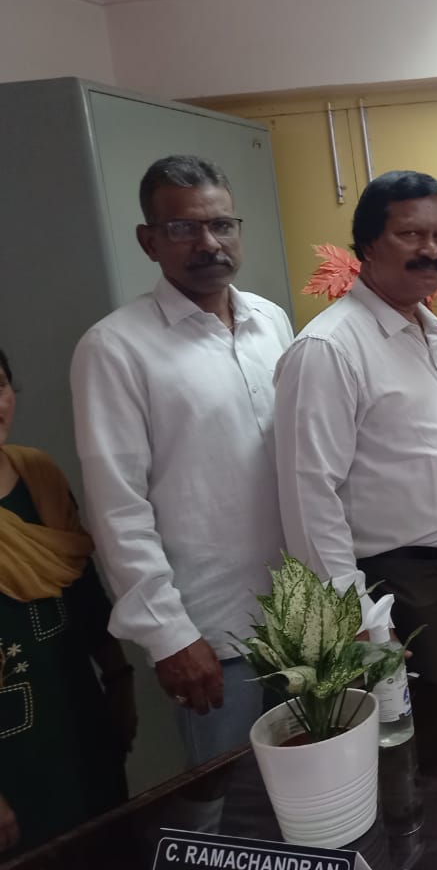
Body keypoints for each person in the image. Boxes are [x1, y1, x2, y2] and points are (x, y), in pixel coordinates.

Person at [70, 155, 293, 770]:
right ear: (149, 241)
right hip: (213, 633)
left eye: (221, 225)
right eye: (182, 228)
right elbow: (116, 508)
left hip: (301, 616)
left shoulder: (271, 321)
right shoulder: (115, 347)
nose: (208, 243)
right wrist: (170, 635)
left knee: (312, 792)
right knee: (231, 809)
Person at [274, 170, 437, 699]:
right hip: (398, 587)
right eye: (411, 234)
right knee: (431, 734)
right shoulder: (330, 348)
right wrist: (359, 621)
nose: (431, 250)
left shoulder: (434, 334)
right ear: (369, 244)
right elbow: (309, 496)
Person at [1, 347, 135, 854]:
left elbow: (85, 592)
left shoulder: (38, 473)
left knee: (109, 843)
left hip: (77, 710)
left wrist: (119, 681)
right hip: (11, 749)